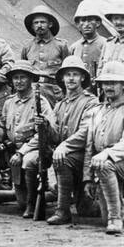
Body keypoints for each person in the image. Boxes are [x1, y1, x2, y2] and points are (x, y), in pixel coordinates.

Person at [84, 62, 124, 235]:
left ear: (123, 86)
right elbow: (90, 146)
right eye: (105, 83)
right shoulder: (97, 111)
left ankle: (115, 219)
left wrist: (106, 154)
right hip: (101, 163)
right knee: (103, 217)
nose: (108, 87)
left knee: (104, 166)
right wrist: (87, 178)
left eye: (114, 83)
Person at [44, 55, 99, 225]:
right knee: (85, 209)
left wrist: (64, 146)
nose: (71, 78)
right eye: (68, 75)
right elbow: (54, 135)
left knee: (89, 210)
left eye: (75, 74)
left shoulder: (91, 102)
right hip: (68, 156)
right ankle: (60, 203)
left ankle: (62, 211)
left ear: (83, 77)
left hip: (85, 157)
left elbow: (86, 132)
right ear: (62, 78)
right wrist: (45, 125)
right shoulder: (60, 105)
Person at [3, 62, 55, 218]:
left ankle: (34, 203)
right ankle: (39, 198)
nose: (18, 81)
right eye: (15, 78)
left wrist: (22, 152)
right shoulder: (8, 103)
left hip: (36, 149)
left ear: (31, 79)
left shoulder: (41, 102)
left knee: (28, 161)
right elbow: (3, 124)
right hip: (14, 150)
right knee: (20, 203)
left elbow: (44, 132)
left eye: (23, 78)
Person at [21, 5, 66, 102]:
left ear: (50, 24)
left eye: (43, 22)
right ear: (32, 26)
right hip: (31, 91)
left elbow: (67, 71)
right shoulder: (27, 46)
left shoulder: (61, 45)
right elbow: (23, 69)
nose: (39, 25)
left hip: (54, 91)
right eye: (36, 23)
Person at [70, 0, 108, 81]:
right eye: (83, 20)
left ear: (97, 23)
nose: (86, 24)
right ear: (78, 24)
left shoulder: (105, 44)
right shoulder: (74, 47)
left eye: (90, 20)